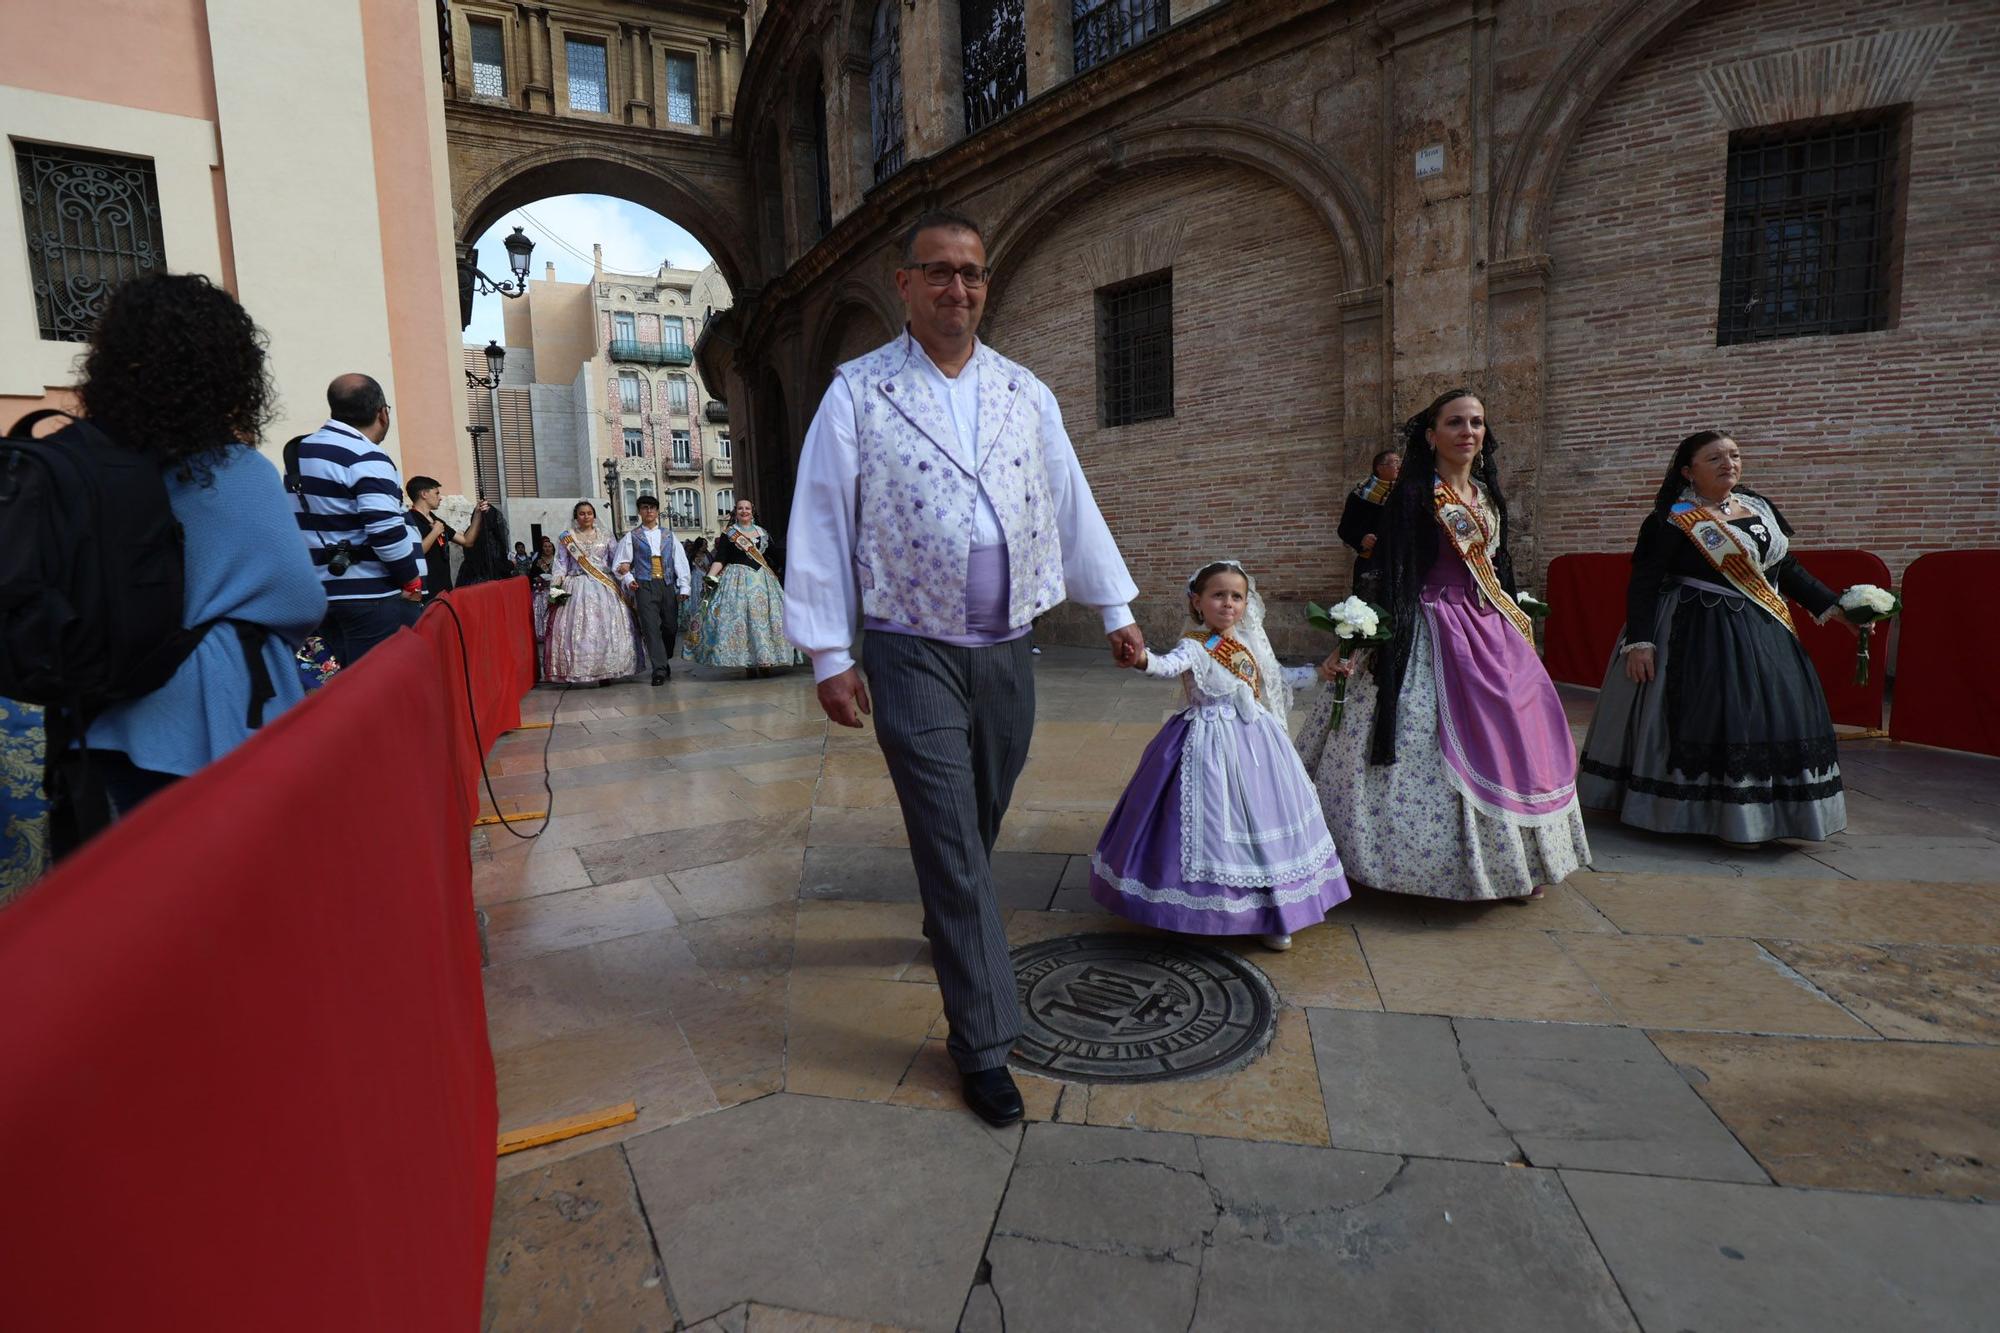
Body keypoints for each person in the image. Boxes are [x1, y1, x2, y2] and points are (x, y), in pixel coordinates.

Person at [785, 208, 1144, 1127]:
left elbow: (1069, 496)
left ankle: (953, 917)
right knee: (949, 839)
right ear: (903, 285)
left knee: (972, 824)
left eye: (973, 273)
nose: (958, 288)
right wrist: (830, 649)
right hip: (909, 646)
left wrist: (1115, 608)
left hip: (1006, 646)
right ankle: (982, 1041)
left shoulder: (1027, 391)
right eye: (938, 272)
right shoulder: (857, 392)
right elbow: (822, 516)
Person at [1295, 389, 1588, 901]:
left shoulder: (1486, 496)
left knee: (1513, 733)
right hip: (1426, 626)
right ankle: (1394, 864)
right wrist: (1362, 638)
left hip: (1488, 626)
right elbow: (1386, 571)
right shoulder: (1412, 495)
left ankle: (1511, 866)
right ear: (1431, 435)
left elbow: (1498, 566)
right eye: (1455, 422)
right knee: (1418, 734)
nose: (1467, 432)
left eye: (1476, 422)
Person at [63, 273, 327, 829]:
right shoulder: (233, 470)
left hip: (106, 715)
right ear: (229, 370)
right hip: (212, 713)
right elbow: (299, 599)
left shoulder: (89, 466)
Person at [1577, 431, 1854, 844]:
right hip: (1695, 632)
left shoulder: (1758, 508)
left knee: (1768, 714)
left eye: (1735, 455)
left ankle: (1768, 812)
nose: (1729, 464)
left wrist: (1836, 607)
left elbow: (1786, 569)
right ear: (1688, 471)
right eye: (1714, 458)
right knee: (1712, 712)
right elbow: (1644, 584)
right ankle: (1695, 812)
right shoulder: (1671, 519)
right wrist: (1640, 642)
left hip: (1763, 632)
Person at [1091, 562, 1350, 951]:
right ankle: (1202, 911)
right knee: (1204, 821)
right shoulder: (1195, 645)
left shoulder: (1249, 642)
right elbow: (1166, 665)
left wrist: (1320, 673)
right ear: (1197, 602)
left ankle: (1276, 912)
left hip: (1259, 744)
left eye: (1236, 596)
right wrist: (1141, 658)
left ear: (1247, 603)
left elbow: (1274, 679)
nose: (1227, 603)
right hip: (1206, 744)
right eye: (1218, 595)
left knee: (1265, 821)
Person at [294, 373, 423, 665]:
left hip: (323, 594)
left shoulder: (300, 453)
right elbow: (385, 531)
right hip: (371, 596)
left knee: (347, 686)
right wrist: (411, 579)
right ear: (383, 413)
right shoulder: (366, 455)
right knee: (382, 687)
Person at [694, 499, 798, 678]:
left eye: (747, 508)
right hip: (736, 582)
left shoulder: (762, 533)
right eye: (740, 508)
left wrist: (796, 565)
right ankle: (748, 662)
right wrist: (710, 576)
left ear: (753, 511)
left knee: (764, 619)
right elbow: (721, 558)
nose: (744, 511)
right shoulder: (729, 534)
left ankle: (765, 659)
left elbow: (776, 555)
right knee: (742, 620)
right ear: (736, 512)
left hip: (763, 582)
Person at [544, 501, 638, 685]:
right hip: (576, 586)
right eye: (581, 513)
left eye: (589, 513)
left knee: (607, 629)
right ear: (576, 517)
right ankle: (579, 670)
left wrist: (626, 578)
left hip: (604, 586)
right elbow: (560, 564)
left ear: (594, 515)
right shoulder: (567, 538)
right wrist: (556, 587)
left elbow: (616, 561)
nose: (586, 516)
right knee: (579, 630)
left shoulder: (606, 535)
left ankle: (607, 671)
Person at [615, 495, 692, 686]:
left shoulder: (669, 535)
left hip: (666, 584)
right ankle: (658, 669)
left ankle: (663, 658)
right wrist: (629, 579)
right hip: (644, 586)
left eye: (652, 508)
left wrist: (684, 586)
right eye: (644, 508)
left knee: (670, 627)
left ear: (657, 511)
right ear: (639, 511)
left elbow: (680, 562)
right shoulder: (631, 537)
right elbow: (620, 564)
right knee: (650, 628)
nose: (649, 511)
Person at [404, 475, 488, 600]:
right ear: (424, 494)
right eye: (436, 493)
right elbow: (416, 552)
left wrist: (477, 514)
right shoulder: (410, 520)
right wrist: (435, 533)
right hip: (426, 591)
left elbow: (467, 541)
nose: (440, 498)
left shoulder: (436, 520)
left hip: (444, 588)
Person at [1338, 449, 1401, 597]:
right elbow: (1344, 529)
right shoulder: (1359, 496)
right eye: (1395, 462)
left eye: (1400, 462)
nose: (1399, 466)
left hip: (1399, 564)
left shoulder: (1403, 493)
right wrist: (1361, 539)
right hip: (1371, 564)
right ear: (1380, 467)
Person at [528, 535, 557, 680]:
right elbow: (531, 575)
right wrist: (538, 580)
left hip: (554, 591)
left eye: (549, 546)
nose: (547, 548)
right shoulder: (537, 562)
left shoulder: (558, 561)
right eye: (545, 546)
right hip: (541, 592)